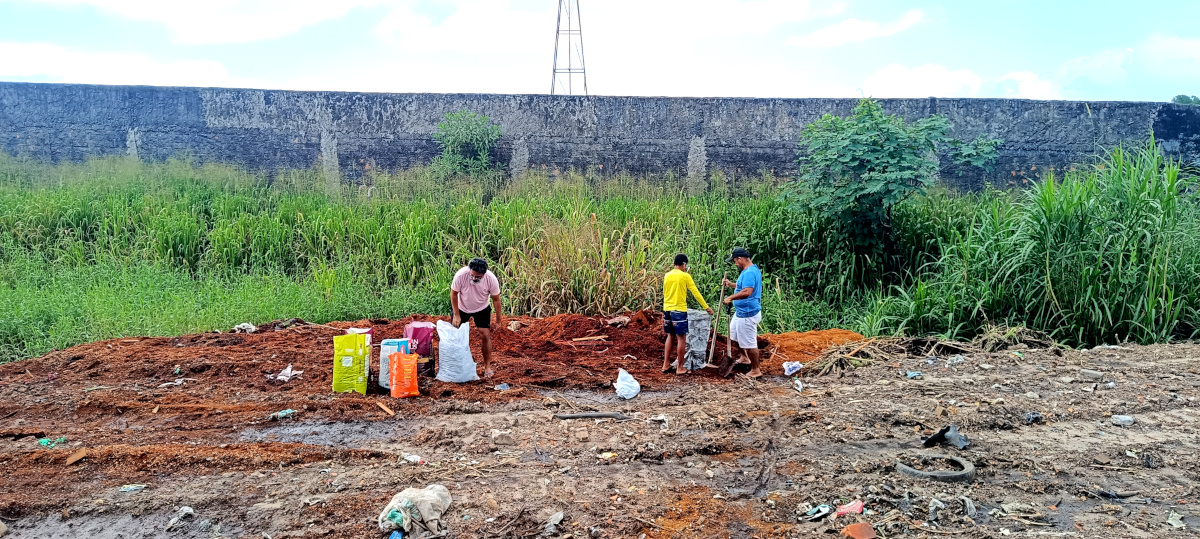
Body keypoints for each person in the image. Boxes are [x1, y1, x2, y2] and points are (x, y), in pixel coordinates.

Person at [661, 254, 714, 374]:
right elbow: (695, 293)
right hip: (679, 310)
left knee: (670, 336)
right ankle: (680, 367)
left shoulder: (667, 275)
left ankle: (665, 365)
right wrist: (706, 307)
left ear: (674, 264)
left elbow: (665, 292)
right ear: (684, 264)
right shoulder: (685, 276)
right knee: (681, 338)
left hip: (667, 309)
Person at [450, 257, 503, 378]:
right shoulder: (460, 275)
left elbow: (496, 300)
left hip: (482, 308)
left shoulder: (491, 279)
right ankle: (456, 366)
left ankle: (487, 366)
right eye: (472, 275)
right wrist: (456, 315)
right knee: (455, 334)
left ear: (484, 274)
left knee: (485, 334)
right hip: (462, 307)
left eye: (478, 277)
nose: (474, 278)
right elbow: (453, 294)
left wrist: (499, 320)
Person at [722, 247, 763, 378]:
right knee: (734, 336)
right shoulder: (748, 271)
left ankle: (756, 370)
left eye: (735, 261)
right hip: (740, 312)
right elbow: (742, 287)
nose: (735, 264)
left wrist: (730, 298)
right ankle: (745, 358)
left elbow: (747, 292)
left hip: (748, 313)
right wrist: (730, 284)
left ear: (740, 259)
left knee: (750, 343)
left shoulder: (750, 272)